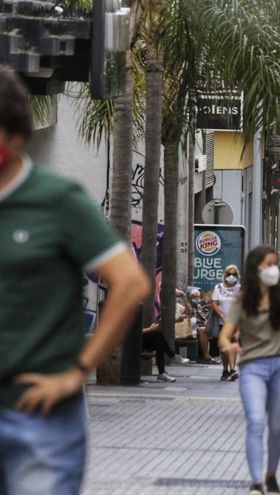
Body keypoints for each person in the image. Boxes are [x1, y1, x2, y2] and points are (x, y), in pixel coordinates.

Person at [0, 67, 151, 494]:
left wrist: (78, 369)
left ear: (15, 135)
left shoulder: (55, 199)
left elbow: (131, 283)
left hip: (39, 419)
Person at [218, 246, 280, 495]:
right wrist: (228, 345)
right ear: (255, 268)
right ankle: (256, 481)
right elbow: (225, 334)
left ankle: (271, 473)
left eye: (275, 263)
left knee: (278, 425)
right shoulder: (244, 298)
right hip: (252, 366)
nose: (272, 269)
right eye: (267, 264)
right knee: (256, 421)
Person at [213, 264, 242, 381]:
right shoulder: (219, 288)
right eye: (229, 274)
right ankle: (225, 369)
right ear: (225, 275)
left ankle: (233, 369)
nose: (231, 276)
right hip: (222, 322)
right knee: (224, 349)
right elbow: (214, 303)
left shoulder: (240, 289)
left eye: (234, 274)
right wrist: (223, 316)